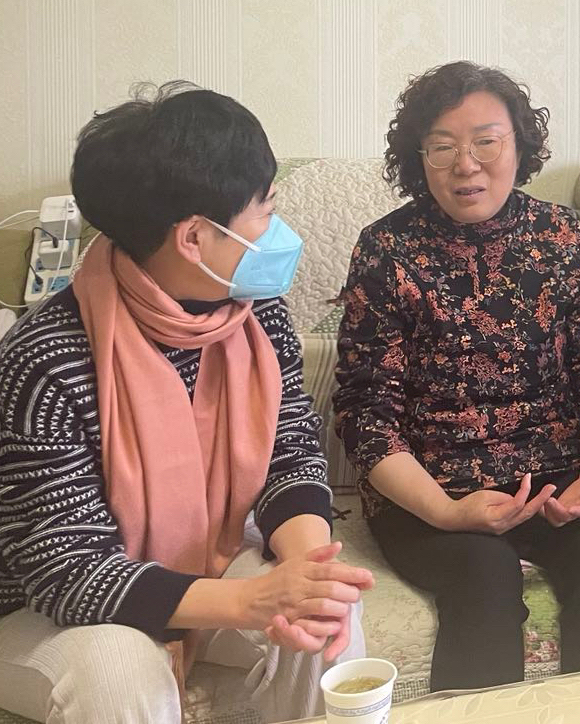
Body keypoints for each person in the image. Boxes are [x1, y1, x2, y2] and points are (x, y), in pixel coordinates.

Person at [0, 84, 371, 724]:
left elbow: (290, 452)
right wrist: (247, 602)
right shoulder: (45, 360)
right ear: (195, 237)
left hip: (206, 554)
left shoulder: (256, 315)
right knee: (120, 669)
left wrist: (308, 573)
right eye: (265, 210)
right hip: (42, 605)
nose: (276, 231)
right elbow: (65, 568)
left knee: (325, 616)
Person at [333, 61, 580, 692]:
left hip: (555, 472)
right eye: (443, 147)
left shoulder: (562, 235)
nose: (466, 165)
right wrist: (447, 513)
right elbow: (366, 411)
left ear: (520, 145)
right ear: (419, 157)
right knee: (483, 579)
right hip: (431, 488)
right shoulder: (386, 250)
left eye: (486, 141)